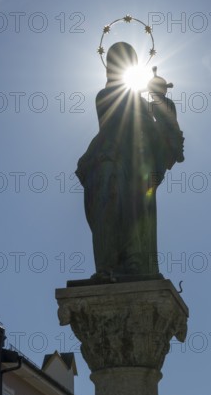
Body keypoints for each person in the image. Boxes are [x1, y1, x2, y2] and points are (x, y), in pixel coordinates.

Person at [76, 42, 184, 280]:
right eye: (114, 62)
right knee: (109, 206)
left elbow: (167, 139)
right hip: (109, 159)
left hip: (138, 168)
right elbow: (123, 118)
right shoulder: (105, 95)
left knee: (136, 215)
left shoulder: (145, 103)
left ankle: (133, 263)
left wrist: (161, 100)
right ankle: (107, 267)